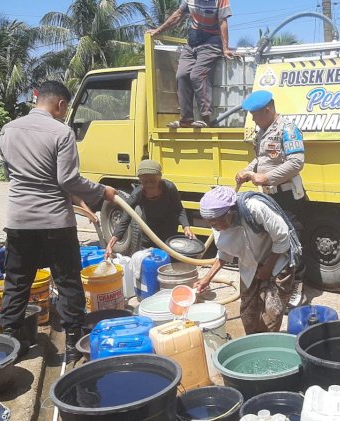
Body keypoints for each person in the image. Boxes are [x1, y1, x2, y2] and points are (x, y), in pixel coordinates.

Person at [0, 81, 117, 362]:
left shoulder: (7, 130)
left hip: (19, 220)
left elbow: (10, 174)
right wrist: (103, 191)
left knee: (16, 281)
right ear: (60, 104)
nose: (64, 114)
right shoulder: (61, 132)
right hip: (56, 223)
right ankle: (74, 342)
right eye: (64, 109)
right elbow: (67, 180)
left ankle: (9, 342)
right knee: (67, 281)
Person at [194, 186, 301, 333]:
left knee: (271, 315)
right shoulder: (216, 220)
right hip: (250, 266)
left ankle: (267, 346)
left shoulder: (254, 208)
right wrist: (207, 278)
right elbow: (225, 252)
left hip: (277, 262)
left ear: (230, 213)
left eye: (217, 222)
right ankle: (252, 345)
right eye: (210, 223)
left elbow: (283, 237)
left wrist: (268, 268)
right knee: (248, 316)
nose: (215, 227)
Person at [236, 90, 307, 309]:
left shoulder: (288, 128)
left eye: (255, 114)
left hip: (287, 196)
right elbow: (261, 158)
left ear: (267, 110)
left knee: (293, 241)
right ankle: (280, 283)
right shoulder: (263, 131)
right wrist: (247, 170)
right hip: (268, 196)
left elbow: (296, 162)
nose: (253, 119)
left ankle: (298, 286)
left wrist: (265, 177)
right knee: (273, 240)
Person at [147, 0, 234, 128]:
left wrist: (225, 48)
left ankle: (205, 119)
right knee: (181, 75)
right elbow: (178, 15)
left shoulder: (221, 1)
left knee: (198, 75)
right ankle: (186, 119)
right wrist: (159, 30)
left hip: (212, 42)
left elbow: (223, 22)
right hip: (192, 41)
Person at [105, 159, 195, 258]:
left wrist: (186, 227)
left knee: (168, 263)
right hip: (149, 234)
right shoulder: (137, 194)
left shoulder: (169, 188)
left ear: (159, 178)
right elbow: (125, 218)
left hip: (169, 232)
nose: (149, 185)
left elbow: (179, 209)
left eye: (153, 181)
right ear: (140, 180)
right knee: (148, 262)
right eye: (145, 181)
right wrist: (111, 243)